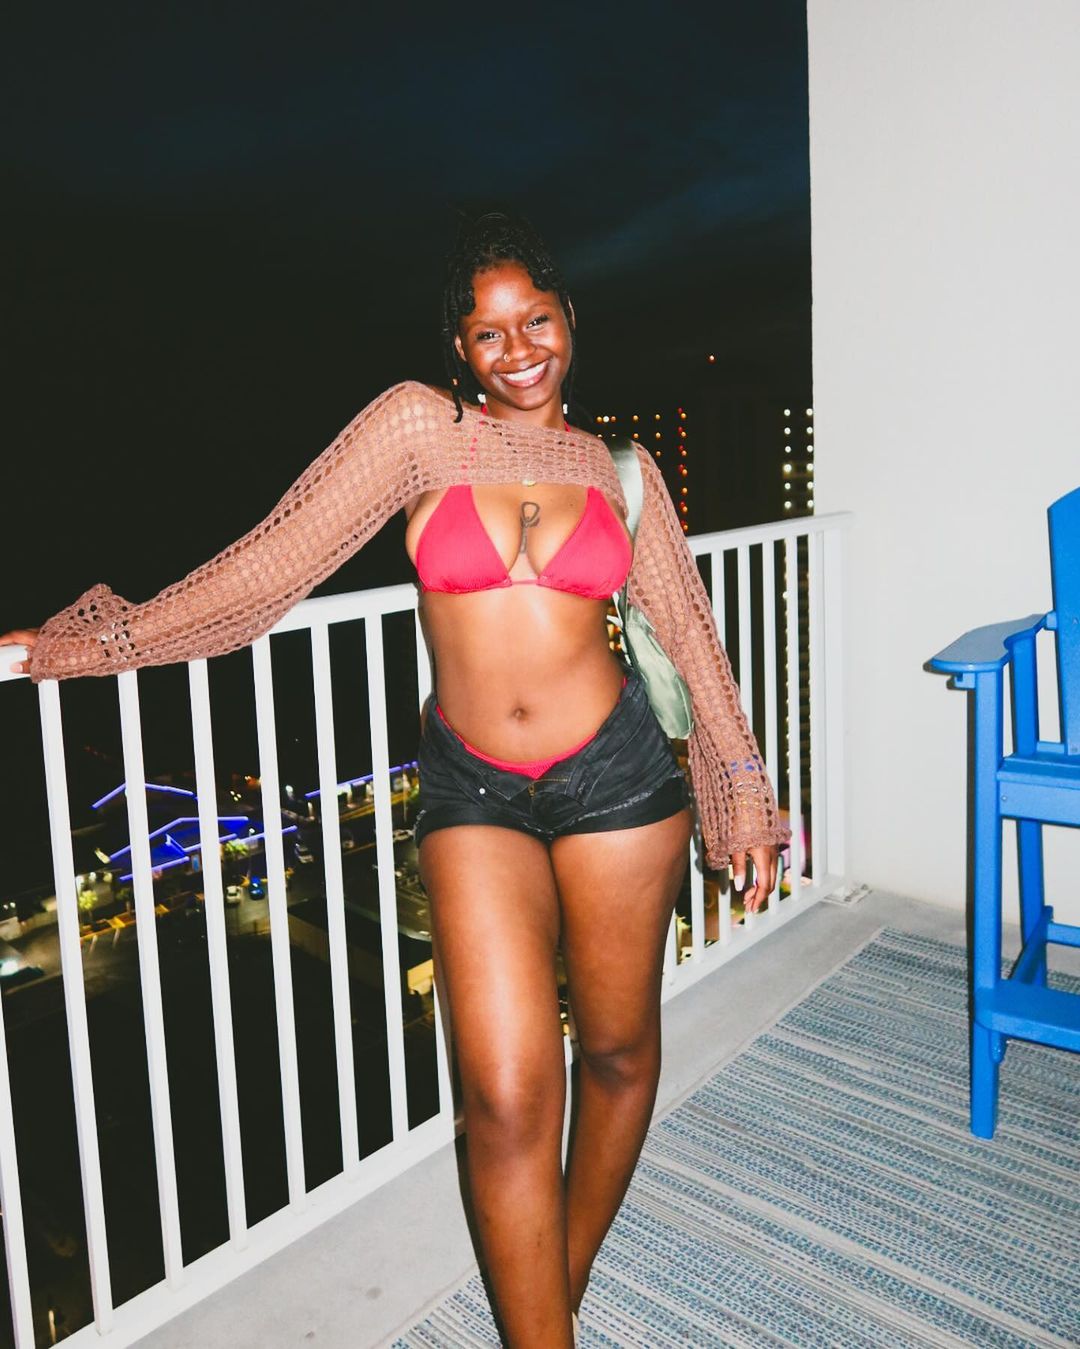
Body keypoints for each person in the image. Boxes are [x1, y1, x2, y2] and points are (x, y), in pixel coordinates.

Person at [2, 212, 788, 1347]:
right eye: (488, 332)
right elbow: (268, 569)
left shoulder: (620, 470)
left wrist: (742, 791)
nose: (518, 350)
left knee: (619, 1053)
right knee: (506, 1095)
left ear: (571, 320)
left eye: (536, 320)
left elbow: (693, 636)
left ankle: (551, 1290)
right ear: (458, 349)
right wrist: (86, 644)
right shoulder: (420, 430)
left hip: (619, 777)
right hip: (475, 790)